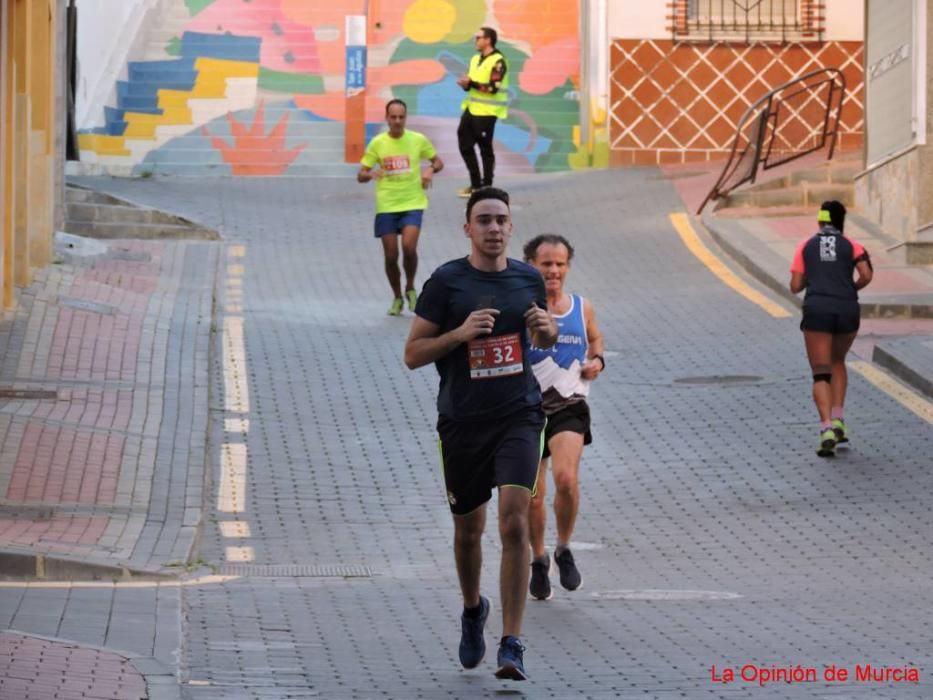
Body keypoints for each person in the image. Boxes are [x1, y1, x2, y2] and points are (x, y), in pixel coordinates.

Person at [404, 187, 557, 681]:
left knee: (513, 522)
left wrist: (546, 331)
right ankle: (474, 609)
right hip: (462, 423)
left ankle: (512, 644)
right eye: (484, 220)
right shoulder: (447, 282)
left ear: (511, 228)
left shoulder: (527, 279)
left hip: (519, 415)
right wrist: (459, 334)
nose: (493, 228)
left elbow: (541, 337)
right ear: (468, 229)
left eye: (501, 220)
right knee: (468, 532)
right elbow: (413, 353)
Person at [523, 234, 604, 600]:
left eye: (559, 264)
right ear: (531, 265)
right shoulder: (520, 306)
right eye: (546, 264)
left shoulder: (581, 307)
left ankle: (563, 547)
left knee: (566, 479)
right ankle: (538, 559)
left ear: (568, 266)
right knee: (533, 496)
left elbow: (596, 341)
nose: (553, 271)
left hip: (569, 405)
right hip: (525, 409)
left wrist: (597, 362)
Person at [789, 200, 873, 457]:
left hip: (818, 310)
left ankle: (826, 428)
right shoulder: (853, 244)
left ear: (820, 221)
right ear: (840, 221)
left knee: (821, 372)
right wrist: (849, 289)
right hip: (847, 309)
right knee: (838, 360)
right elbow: (866, 274)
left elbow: (795, 285)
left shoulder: (806, 246)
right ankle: (838, 420)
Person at [358, 99, 444, 316]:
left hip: (412, 202)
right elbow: (361, 174)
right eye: (393, 117)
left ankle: (411, 288)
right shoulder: (378, 143)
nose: (397, 121)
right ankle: (397, 296)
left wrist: (429, 171)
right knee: (390, 255)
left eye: (401, 117)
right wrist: (369, 174)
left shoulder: (417, 140)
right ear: (387, 118)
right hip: (387, 205)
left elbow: (438, 162)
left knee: (408, 247)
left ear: (405, 118)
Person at [456, 27, 508, 198]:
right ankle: (475, 184)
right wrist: (466, 85)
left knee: (485, 149)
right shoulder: (475, 59)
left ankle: (486, 186)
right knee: (464, 143)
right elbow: (473, 84)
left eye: (478, 37)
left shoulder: (498, 61)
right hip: (471, 109)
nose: (475, 40)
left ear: (488, 40)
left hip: (487, 112)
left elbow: (493, 88)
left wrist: (471, 83)